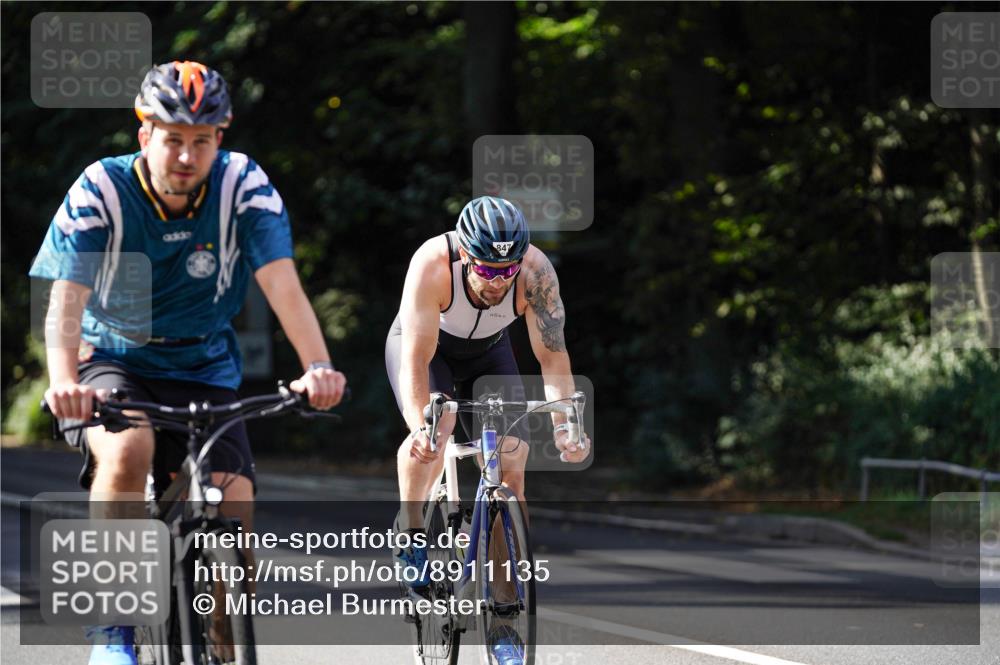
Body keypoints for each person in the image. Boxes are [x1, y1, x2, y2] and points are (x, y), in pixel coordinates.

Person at [31, 61, 347, 665]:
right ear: (144, 134)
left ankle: (224, 640)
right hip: (114, 358)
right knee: (128, 453)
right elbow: (65, 299)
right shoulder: (101, 189)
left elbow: (283, 285)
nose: (186, 155)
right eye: (172, 138)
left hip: (204, 364)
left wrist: (318, 367)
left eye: (202, 140)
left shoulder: (241, 186)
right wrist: (64, 381)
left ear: (219, 139)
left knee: (235, 504)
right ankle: (115, 632)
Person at [385, 195, 590, 665]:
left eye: (507, 270)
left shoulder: (535, 273)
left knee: (511, 468)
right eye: (486, 270)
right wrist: (421, 426)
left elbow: (553, 356)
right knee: (436, 430)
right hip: (426, 348)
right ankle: (411, 530)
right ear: (465, 255)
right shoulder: (433, 264)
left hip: (489, 354)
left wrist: (564, 425)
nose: (498, 281)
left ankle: (503, 616)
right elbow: (416, 357)